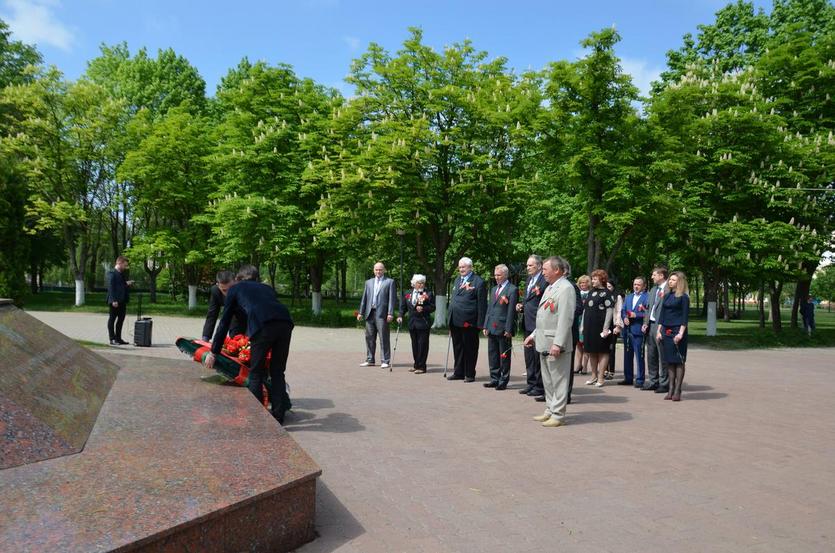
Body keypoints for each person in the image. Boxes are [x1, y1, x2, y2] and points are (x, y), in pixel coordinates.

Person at [205, 265, 294, 423]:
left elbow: (224, 322)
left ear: (237, 280)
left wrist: (213, 352)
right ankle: (278, 417)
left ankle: (257, 418)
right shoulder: (266, 288)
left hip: (263, 326)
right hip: (285, 323)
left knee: (255, 372)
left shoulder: (235, 289)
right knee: (278, 372)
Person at [524, 256, 576, 428]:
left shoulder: (566, 288)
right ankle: (550, 409)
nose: (543, 272)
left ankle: (558, 414)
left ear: (557, 270)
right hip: (543, 341)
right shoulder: (550, 287)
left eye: (545, 269)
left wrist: (558, 344)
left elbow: (565, 319)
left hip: (555, 344)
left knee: (559, 380)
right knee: (548, 380)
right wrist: (533, 335)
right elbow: (543, 316)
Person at [447, 257, 487, 382]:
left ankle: (469, 373)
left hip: (469, 321)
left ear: (470, 267)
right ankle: (458, 371)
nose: (461, 269)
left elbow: (482, 305)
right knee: (457, 347)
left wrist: (481, 324)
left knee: (470, 348)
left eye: (463, 267)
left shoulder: (478, 282)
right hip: (455, 320)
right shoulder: (457, 279)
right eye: (459, 267)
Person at [483, 264, 518, 390]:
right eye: (495, 275)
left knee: (504, 355)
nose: (496, 277)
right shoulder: (493, 290)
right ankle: (494, 378)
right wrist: (486, 325)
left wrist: (508, 329)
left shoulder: (512, 289)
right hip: (492, 327)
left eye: (499, 275)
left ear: (505, 275)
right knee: (492, 354)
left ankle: (503, 380)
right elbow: (489, 308)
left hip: (503, 328)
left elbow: (511, 312)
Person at [516, 255, 547, 399]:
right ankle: (530, 382)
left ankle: (539, 386)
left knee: (537, 355)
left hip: (538, 323)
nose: (527, 268)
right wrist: (521, 306)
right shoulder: (529, 280)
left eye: (531, 265)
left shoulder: (544, 280)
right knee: (529, 355)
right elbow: (528, 299)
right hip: (527, 322)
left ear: (539, 266)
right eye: (527, 265)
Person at [357, 262, 397, 369]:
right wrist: (361, 312)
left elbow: (392, 300)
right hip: (369, 314)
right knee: (369, 337)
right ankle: (370, 359)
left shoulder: (390, 282)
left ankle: (385, 360)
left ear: (384, 270)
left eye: (380, 269)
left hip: (382, 314)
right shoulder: (368, 282)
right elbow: (364, 299)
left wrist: (390, 313)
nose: (378, 271)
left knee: (384, 337)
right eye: (376, 270)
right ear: (373, 270)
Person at [656, 271, 689, 401]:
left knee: (679, 361)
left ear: (679, 282)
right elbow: (662, 315)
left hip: (678, 331)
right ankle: (670, 388)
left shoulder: (684, 297)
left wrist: (681, 333)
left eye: (673, 280)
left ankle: (677, 390)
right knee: (669, 361)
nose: (670, 282)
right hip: (666, 330)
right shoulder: (667, 296)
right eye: (670, 280)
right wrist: (659, 331)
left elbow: (685, 317)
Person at [580, 269, 614, 387]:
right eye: (592, 278)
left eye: (595, 278)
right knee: (591, 351)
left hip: (601, 327)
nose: (592, 281)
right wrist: (582, 325)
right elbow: (585, 310)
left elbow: (610, 310)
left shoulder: (606, 293)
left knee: (603, 351)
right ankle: (593, 376)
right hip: (590, 326)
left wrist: (606, 327)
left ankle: (601, 377)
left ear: (601, 280)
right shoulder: (590, 292)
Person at [397, 274, 435, 374]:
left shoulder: (428, 293)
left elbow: (432, 307)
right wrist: (400, 315)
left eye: (423, 283)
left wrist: (423, 308)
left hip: (423, 322)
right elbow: (403, 307)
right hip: (412, 322)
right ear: (414, 284)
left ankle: (422, 367)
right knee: (414, 345)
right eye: (419, 283)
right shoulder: (407, 293)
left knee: (422, 345)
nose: (421, 285)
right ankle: (416, 365)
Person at [643, 266, 670, 394]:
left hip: (662, 326)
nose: (652, 277)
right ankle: (653, 381)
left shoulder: (669, 289)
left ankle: (664, 383)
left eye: (654, 275)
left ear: (661, 276)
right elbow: (649, 308)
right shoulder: (653, 289)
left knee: (662, 355)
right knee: (651, 354)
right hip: (651, 325)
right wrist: (645, 322)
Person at [619, 276, 649, 387]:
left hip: (638, 330)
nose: (636, 286)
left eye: (638, 284)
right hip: (627, 330)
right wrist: (624, 317)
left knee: (639, 356)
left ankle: (640, 380)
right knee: (627, 355)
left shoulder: (647, 297)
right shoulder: (629, 297)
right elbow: (623, 310)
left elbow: (648, 312)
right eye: (635, 284)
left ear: (644, 286)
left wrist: (637, 315)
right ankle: (628, 378)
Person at [202, 270, 245, 342]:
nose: (229, 293)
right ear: (218, 285)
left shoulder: (244, 289)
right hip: (233, 316)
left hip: (248, 316)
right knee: (235, 340)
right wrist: (205, 338)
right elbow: (212, 314)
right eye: (224, 290)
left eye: (231, 288)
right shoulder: (215, 291)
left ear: (235, 281)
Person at [105, 255, 134, 345]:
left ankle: (118, 338)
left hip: (122, 301)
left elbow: (120, 286)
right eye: (124, 265)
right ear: (119, 263)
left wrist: (126, 284)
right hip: (115, 301)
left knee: (121, 320)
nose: (125, 267)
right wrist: (114, 300)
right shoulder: (112, 273)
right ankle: (112, 339)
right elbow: (111, 287)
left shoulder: (121, 274)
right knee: (112, 319)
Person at [606, 280, 624, 380]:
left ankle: (611, 371)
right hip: (604, 325)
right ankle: (604, 369)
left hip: (613, 325)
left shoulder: (617, 297)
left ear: (613, 287)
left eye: (609, 286)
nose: (607, 288)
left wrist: (618, 326)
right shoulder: (603, 296)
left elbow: (619, 312)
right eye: (606, 286)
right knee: (604, 349)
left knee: (611, 349)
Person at [573, 275, 591, 374]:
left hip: (586, 319)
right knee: (578, 344)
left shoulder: (591, 294)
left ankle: (585, 366)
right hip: (578, 319)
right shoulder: (577, 293)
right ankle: (578, 364)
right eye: (581, 283)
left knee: (585, 344)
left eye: (584, 283)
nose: (583, 284)